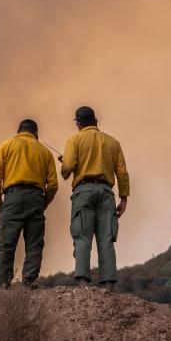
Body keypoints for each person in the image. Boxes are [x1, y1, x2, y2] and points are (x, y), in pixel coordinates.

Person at [60, 106, 130, 290]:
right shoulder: (113, 142)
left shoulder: (74, 140)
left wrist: (66, 165)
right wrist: (123, 198)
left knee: (82, 236)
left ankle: (83, 282)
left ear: (78, 123)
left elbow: (67, 168)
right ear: (95, 121)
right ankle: (108, 284)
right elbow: (122, 173)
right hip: (106, 193)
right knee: (106, 238)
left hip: (83, 192)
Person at [0, 119, 58, 289]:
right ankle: (29, 283)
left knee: (4, 243)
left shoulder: (6, 146)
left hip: (12, 197)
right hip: (36, 197)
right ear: (36, 133)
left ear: (19, 131)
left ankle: (1, 286)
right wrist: (43, 203)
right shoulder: (45, 152)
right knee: (34, 244)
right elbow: (53, 184)